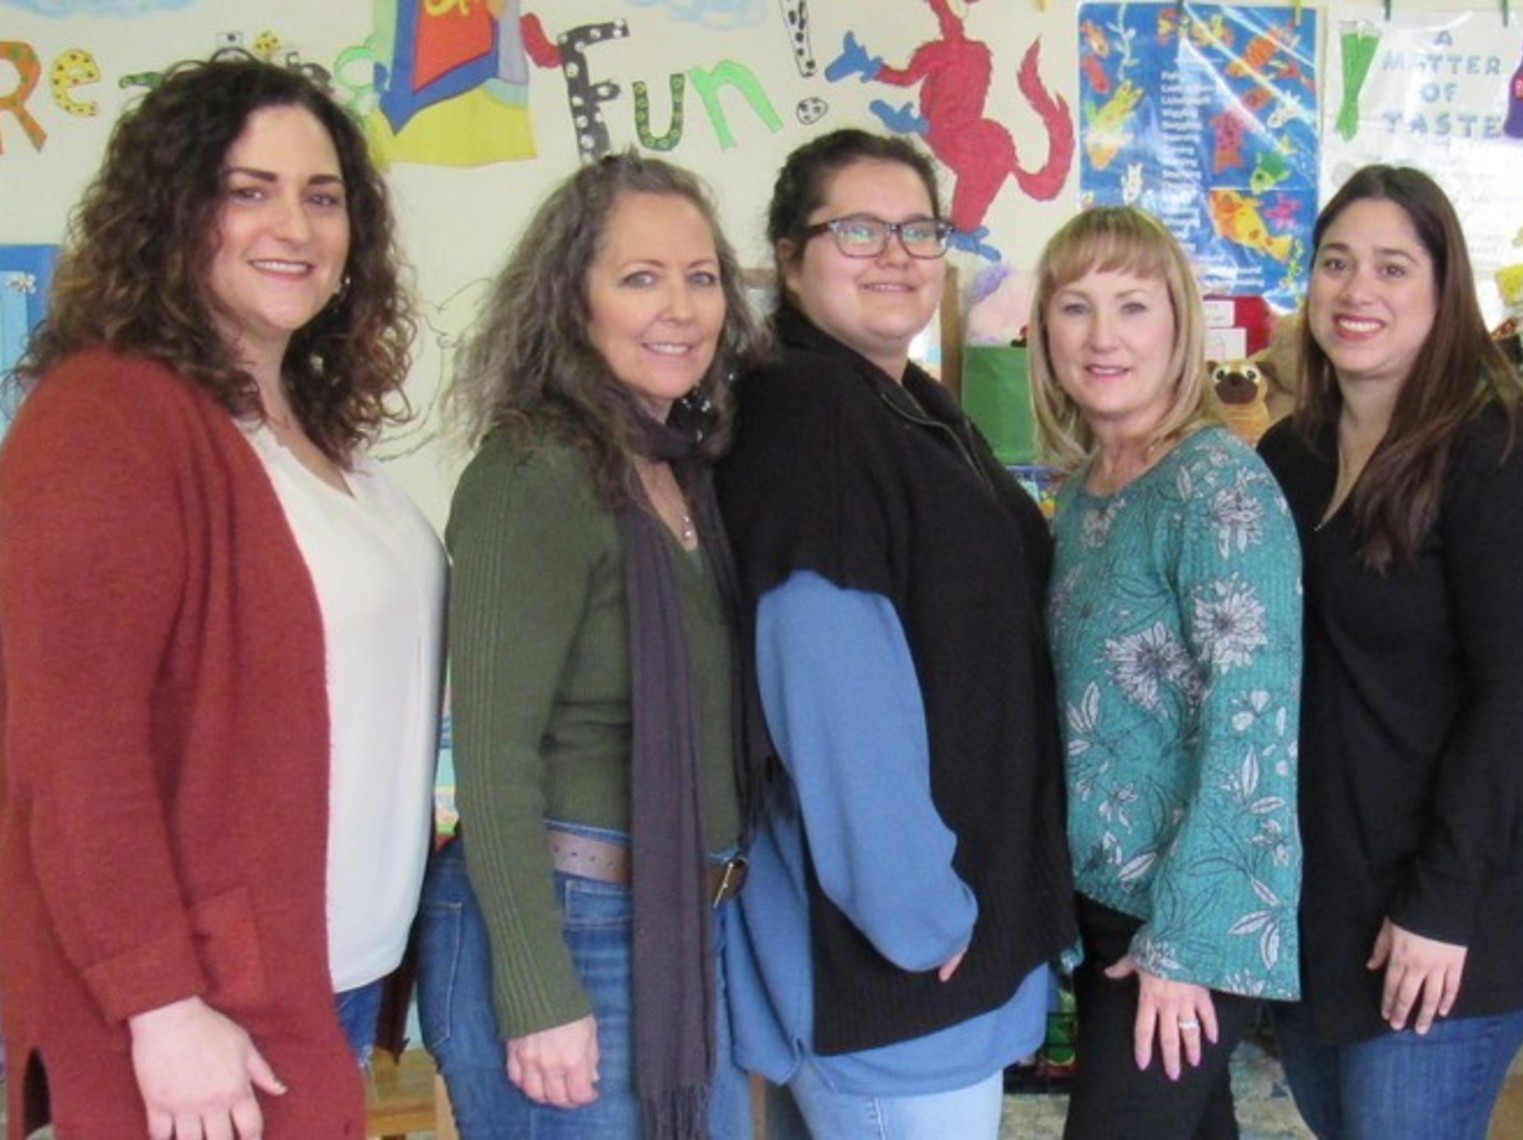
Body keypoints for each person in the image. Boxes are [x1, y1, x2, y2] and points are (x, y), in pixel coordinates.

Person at [0, 58, 442, 1137]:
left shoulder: (308, 427)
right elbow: (74, 743)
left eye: (322, 195)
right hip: (205, 1007)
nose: (292, 224)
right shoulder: (107, 419)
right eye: (248, 191)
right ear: (172, 214)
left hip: (327, 975)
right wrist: (159, 1004)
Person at [713, 128, 1077, 1139]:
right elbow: (834, 692)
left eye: (921, 229)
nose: (899, 254)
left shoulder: (906, 403)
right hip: (896, 965)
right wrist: (915, 914)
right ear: (789, 257)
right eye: (860, 229)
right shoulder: (811, 415)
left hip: (932, 952)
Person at [415, 154, 764, 1137]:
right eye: (640, 278)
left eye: (701, 278)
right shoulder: (534, 471)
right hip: (569, 924)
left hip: (685, 919)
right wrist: (536, 994)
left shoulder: (680, 469)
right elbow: (489, 757)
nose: (682, 309)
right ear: (573, 300)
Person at [1255, 165, 1523, 1139]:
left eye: (1393, 268)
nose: (1358, 291)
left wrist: (1442, 904)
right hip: (1327, 908)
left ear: (1445, 295)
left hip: (1449, 909)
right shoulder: (1290, 455)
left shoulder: (1503, 456)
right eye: (1336, 263)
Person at [1026, 206, 1304, 1138]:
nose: (1103, 337)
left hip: (1188, 921)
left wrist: (1182, 946)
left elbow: (1251, 730)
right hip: (1106, 910)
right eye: (1076, 307)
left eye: (1132, 306)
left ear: (1179, 324)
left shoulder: (1217, 486)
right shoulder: (1084, 492)